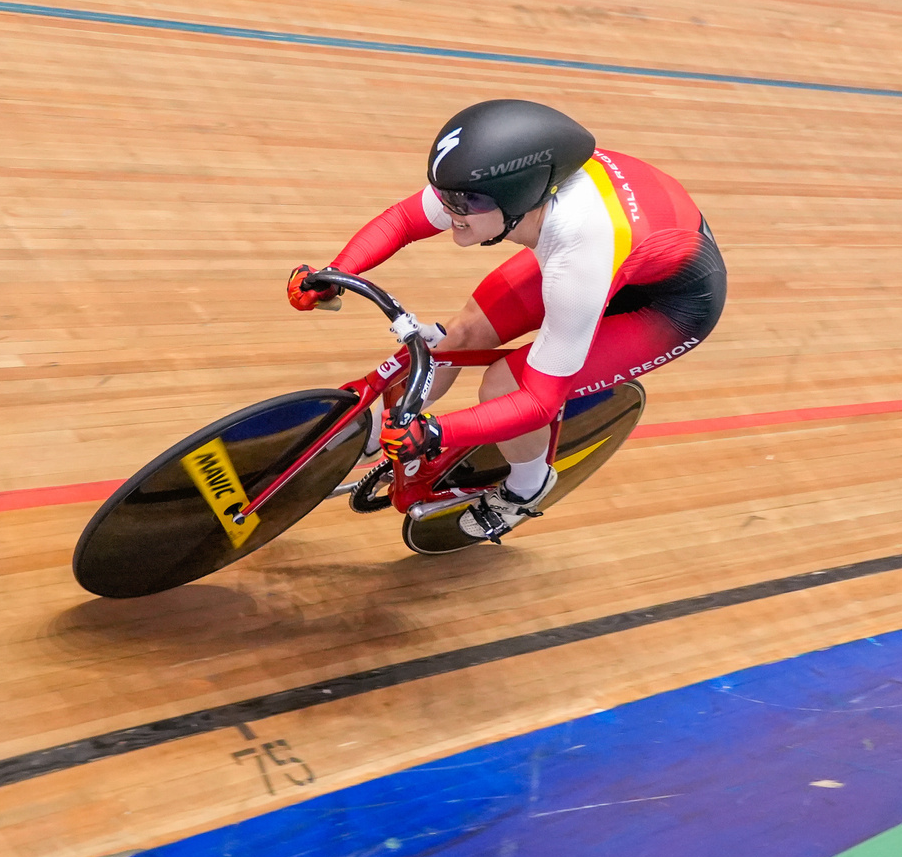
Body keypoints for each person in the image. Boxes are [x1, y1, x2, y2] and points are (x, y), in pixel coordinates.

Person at [288, 100, 725, 542]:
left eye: (464, 201)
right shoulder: (486, 189)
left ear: (521, 195)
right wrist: (335, 273)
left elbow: (539, 402)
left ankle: (526, 488)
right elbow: (403, 220)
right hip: (627, 251)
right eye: (444, 193)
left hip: (667, 305)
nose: (448, 209)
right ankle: (372, 435)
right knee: (457, 336)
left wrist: (439, 431)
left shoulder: (577, 255)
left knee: (506, 384)